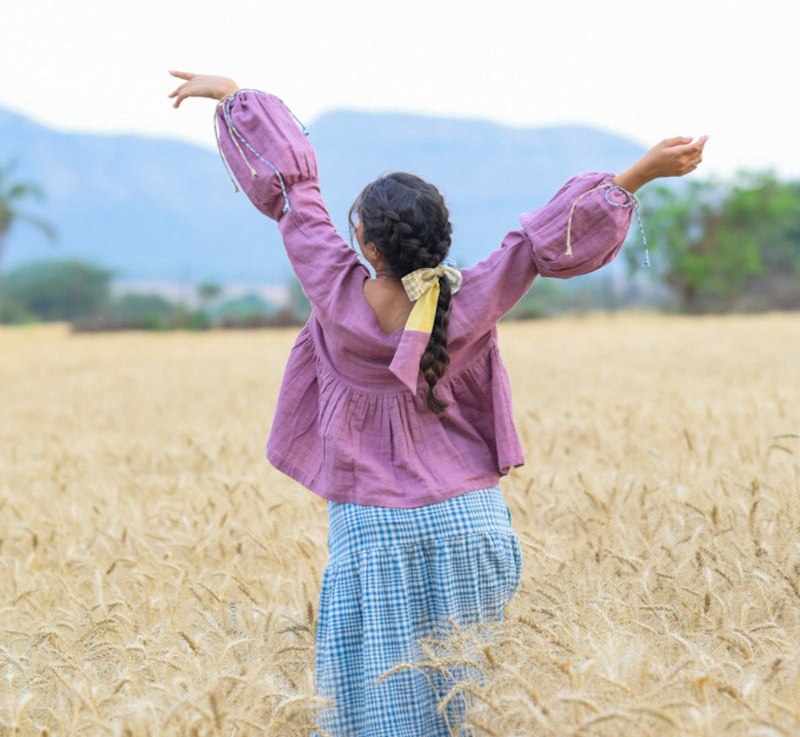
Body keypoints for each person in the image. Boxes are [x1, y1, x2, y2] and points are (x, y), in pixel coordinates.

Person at [168, 70, 707, 735]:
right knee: (471, 711)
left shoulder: (334, 292)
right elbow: (539, 242)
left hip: (373, 538)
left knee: (377, 717)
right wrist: (641, 172)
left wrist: (233, 97)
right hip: (473, 528)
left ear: (367, 247)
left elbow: (293, 194)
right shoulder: (472, 298)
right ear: (441, 239)